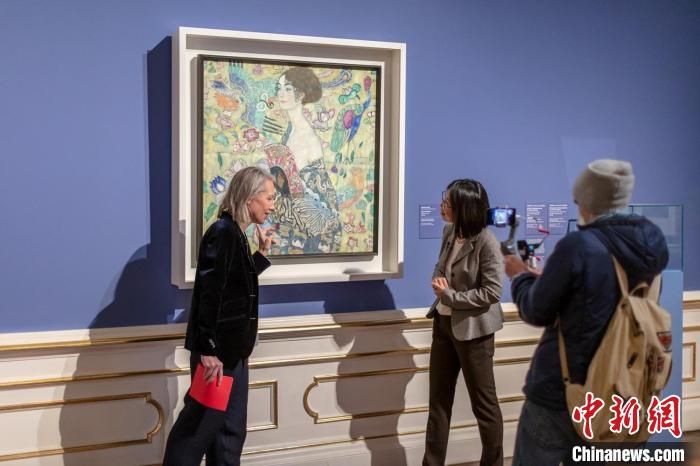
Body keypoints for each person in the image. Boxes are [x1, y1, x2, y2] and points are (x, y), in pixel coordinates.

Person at [504, 159, 669, 465]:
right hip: (619, 389)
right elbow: (602, 297)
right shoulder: (650, 246)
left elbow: (536, 310)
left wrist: (519, 277)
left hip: (562, 392)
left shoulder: (578, 246)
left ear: (587, 200)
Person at [163, 166, 276, 466]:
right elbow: (209, 294)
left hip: (233, 354)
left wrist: (261, 255)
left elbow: (233, 286)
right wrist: (208, 349)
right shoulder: (222, 233)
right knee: (196, 431)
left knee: (229, 435)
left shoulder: (235, 234)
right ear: (250, 197)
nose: (272, 205)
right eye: (269, 198)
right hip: (217, 356)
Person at [423, 179, 505, 466]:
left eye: (447, 203)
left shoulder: (487, 242)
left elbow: (492, 292)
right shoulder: (449, 231)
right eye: (444, 200)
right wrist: (438, 281)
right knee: (438, 404)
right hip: (443, 326)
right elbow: (440, 267)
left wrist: (451, 296)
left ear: (465, 208)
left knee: (484, 407)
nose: (441, 207)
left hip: (475, 334)